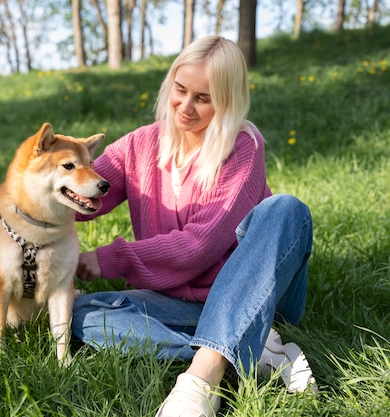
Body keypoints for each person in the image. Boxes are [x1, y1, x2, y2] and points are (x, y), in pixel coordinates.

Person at [71, 35, 317, 417]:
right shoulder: (140, 145)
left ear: (227, 101)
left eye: (203, 98)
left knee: (285, 210)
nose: (185, 107)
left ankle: (202, 378)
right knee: (80, 316)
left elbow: (197, 246)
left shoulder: (242, 147)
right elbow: (79, 194)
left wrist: (109, 259)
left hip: (259, 292)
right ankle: (252, 347)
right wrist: (22, 207)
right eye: (180, 90)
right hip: (179, 302)